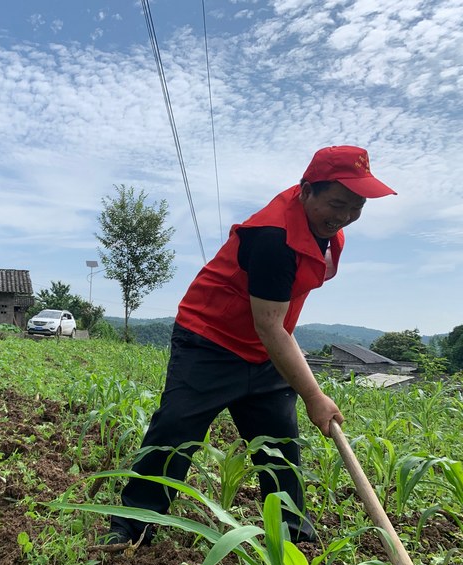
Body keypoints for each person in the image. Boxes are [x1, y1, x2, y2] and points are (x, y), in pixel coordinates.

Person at [106, 145, 396, 544]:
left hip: (265, 350)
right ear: (307, 190)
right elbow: (271, 325)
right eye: (337, 203)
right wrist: (313, 394)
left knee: (280, 445)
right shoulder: (273, 236)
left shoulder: (329, 234)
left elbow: (276, 322)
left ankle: (293, 536)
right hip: (209, 340)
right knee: (174, 432)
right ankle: (130, 527)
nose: (345, 216)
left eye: (356, 207)